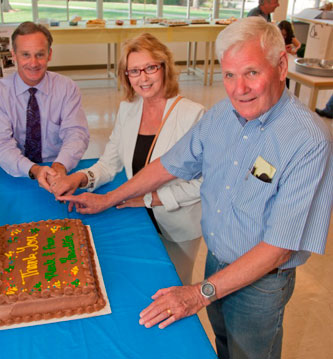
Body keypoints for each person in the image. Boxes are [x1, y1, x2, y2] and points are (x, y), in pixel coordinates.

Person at [59, 17, 333, 359]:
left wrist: (198, 293)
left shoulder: (307, 141)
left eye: (251, 72)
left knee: (248, 353)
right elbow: (169, 165)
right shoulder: (222, 116)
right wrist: (108, 199)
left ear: (281, 66)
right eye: (229, 75)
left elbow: (278, 247)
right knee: (223, 344)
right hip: (217, 260)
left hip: (261, 283)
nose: (238, 88)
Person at [51, 33, 205, 285]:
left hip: (178, 225)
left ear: (165, 68)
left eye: (150, 68)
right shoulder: (129, 109)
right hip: (139, 219)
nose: (143, 78)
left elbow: (202, 184)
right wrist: (79, 178)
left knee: (174, 287)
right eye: (134, 71)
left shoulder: (193, 114)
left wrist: (147, 199)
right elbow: (110, 162)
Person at [0, 21, 89, 192]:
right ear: (13, 55)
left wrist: (60, 166)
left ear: (49, 54)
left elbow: (76, 133)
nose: (33, 63)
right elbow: (1, 145)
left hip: (59, 169)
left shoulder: (67, 88)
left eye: (40, 54)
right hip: (16, 173)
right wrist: (34, 170)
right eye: (25, 55)